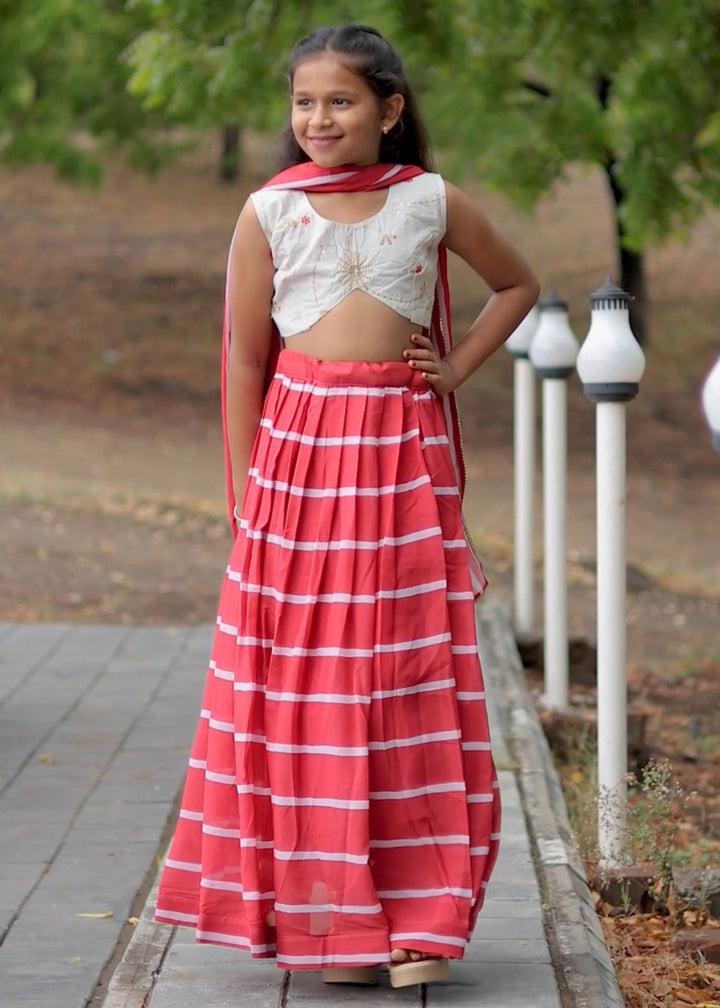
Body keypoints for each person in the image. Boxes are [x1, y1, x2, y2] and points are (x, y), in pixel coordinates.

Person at [154, 23, 539, 990]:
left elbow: (519, 284)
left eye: (342, 101)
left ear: (390, 111)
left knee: (406, 680)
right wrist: (243, 496)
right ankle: (333, 919)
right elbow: (246, 360)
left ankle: (418, 921)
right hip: (299, 468)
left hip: (401, 464)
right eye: (304, 103)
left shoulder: (428, 200)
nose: (319, 119)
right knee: (304, 690)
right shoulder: (268, 212)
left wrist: (452, 368)